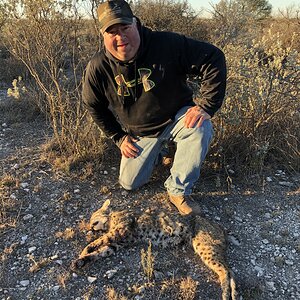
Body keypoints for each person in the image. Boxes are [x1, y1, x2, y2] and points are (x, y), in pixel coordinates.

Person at [82, 0, 226, 216]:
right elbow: (93, 105)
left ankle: (178, 190)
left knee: (199, 127)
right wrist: (118, 137)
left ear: (135, 24)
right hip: (142, 131)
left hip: (177, 118)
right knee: (129, 183)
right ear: (102, 35)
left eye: (125, 28)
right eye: (112, 32)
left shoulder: (166, 43)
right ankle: (161, 152)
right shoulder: (98, 67)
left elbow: (213, 57)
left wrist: (207, 105)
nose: (120, 37)